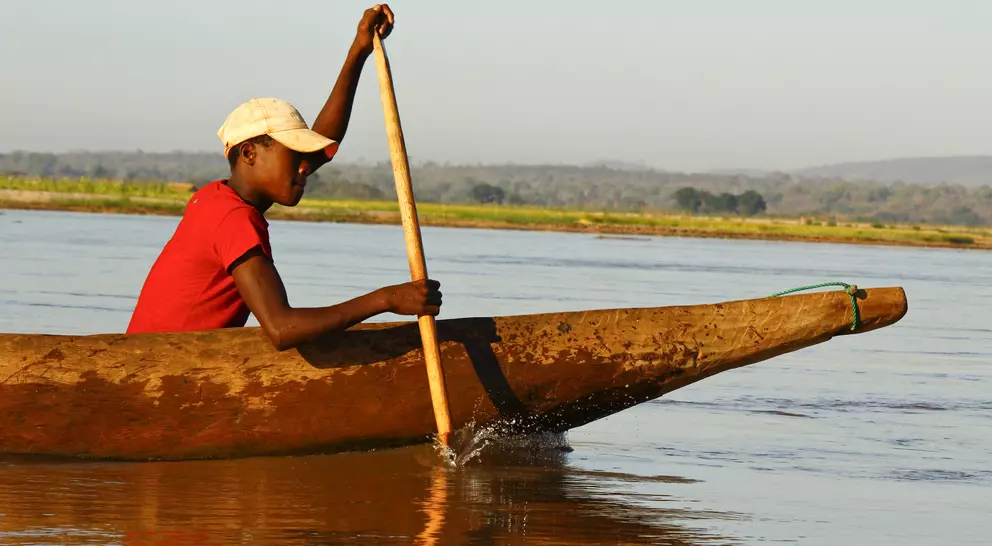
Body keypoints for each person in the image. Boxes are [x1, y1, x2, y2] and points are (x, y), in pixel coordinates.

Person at [126, 4, 441, 350]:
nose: (306, 167)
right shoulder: (233, 219)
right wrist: (385, 299)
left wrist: (359, 50)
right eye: (294, 156)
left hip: (156, 359)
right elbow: (282, 329)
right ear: (250, 154)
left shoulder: (214, 197)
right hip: (161, 370)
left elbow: (324, 142)